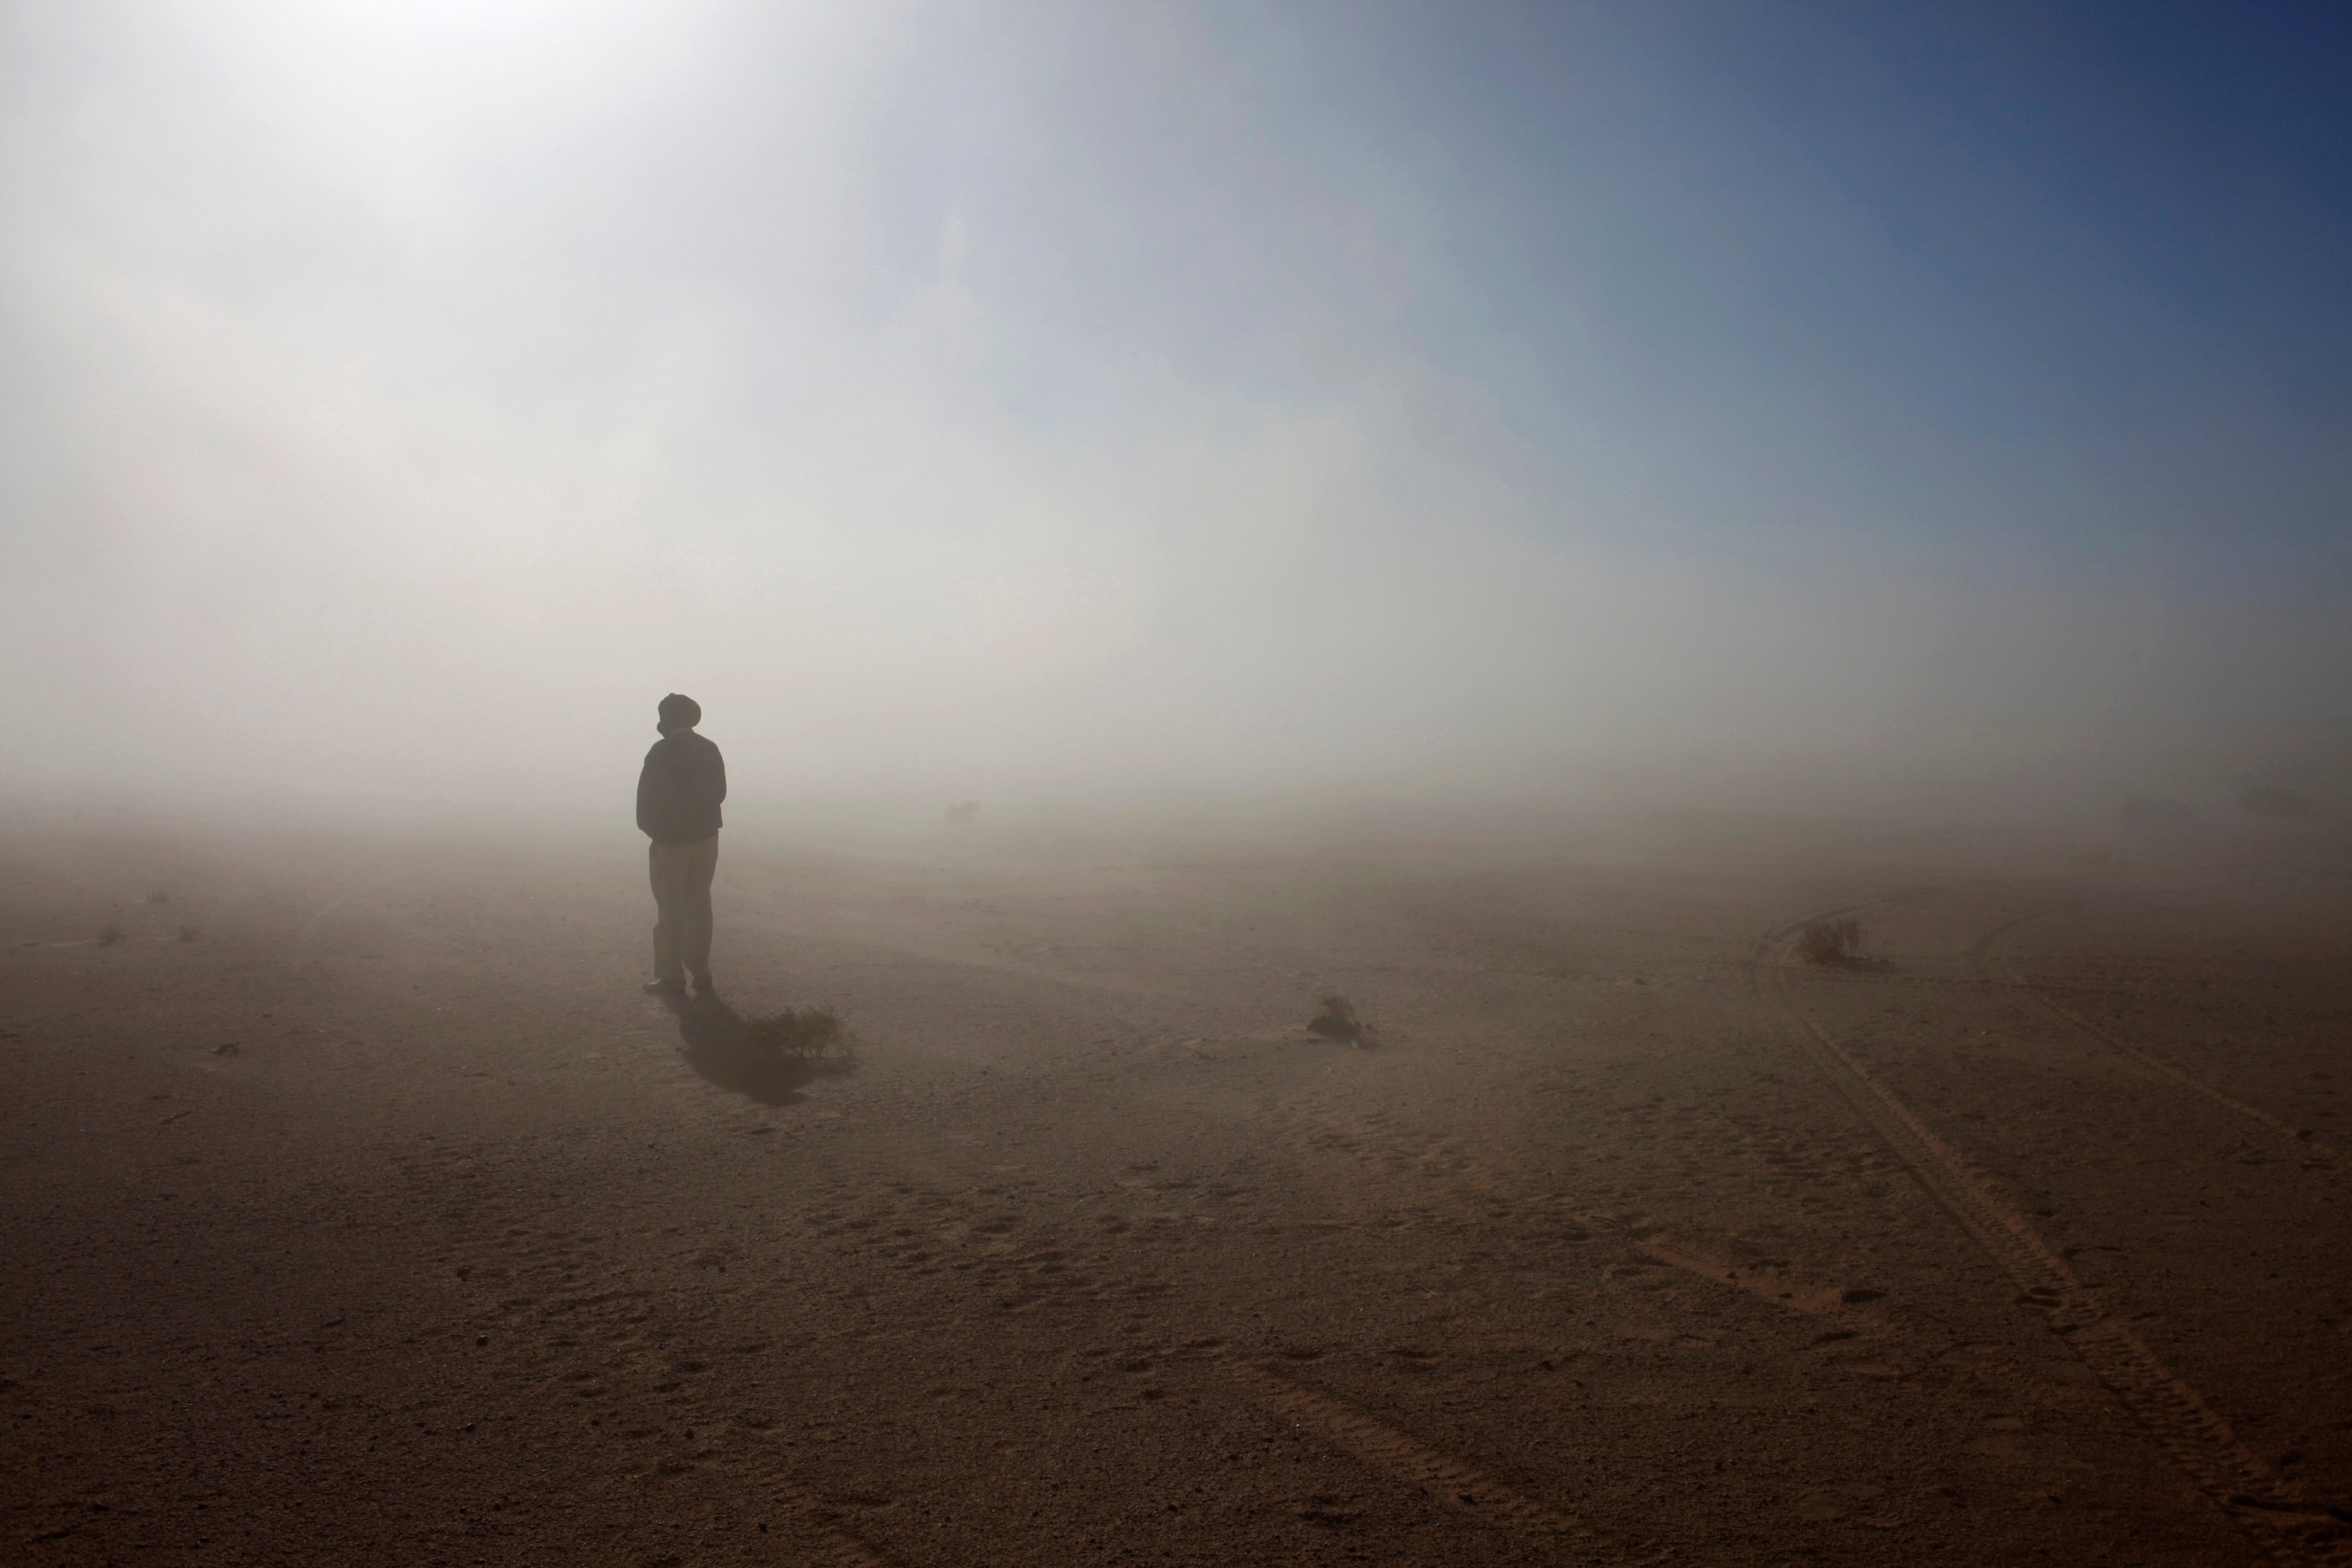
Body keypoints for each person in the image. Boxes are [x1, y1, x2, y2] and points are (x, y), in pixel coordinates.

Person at [636, 693, 726, 996]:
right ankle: (701, 971)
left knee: (670, 909)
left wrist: (656, 833)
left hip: (672, 843)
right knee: (699, 904)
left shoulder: (661, 752)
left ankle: (671, 976)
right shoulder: (709, 748)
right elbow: (719, 793)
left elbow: (646, 801)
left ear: (667, 719)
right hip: (706, 838)